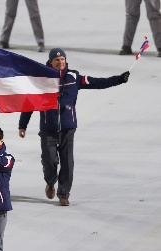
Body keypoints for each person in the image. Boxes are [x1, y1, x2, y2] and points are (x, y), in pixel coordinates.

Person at [18, 48, 130, 206]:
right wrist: (23, 125)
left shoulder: (74, 77)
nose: (60, 62)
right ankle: (50, 182)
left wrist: (119, 79)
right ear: (51, 62)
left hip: (68, 128)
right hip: (48, 128)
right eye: (57, 60)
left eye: (63, 59)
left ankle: (63, 194)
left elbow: (98, 83)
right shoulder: (41, 80)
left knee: (67, 162)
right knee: (49, 161)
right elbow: (29, 103)